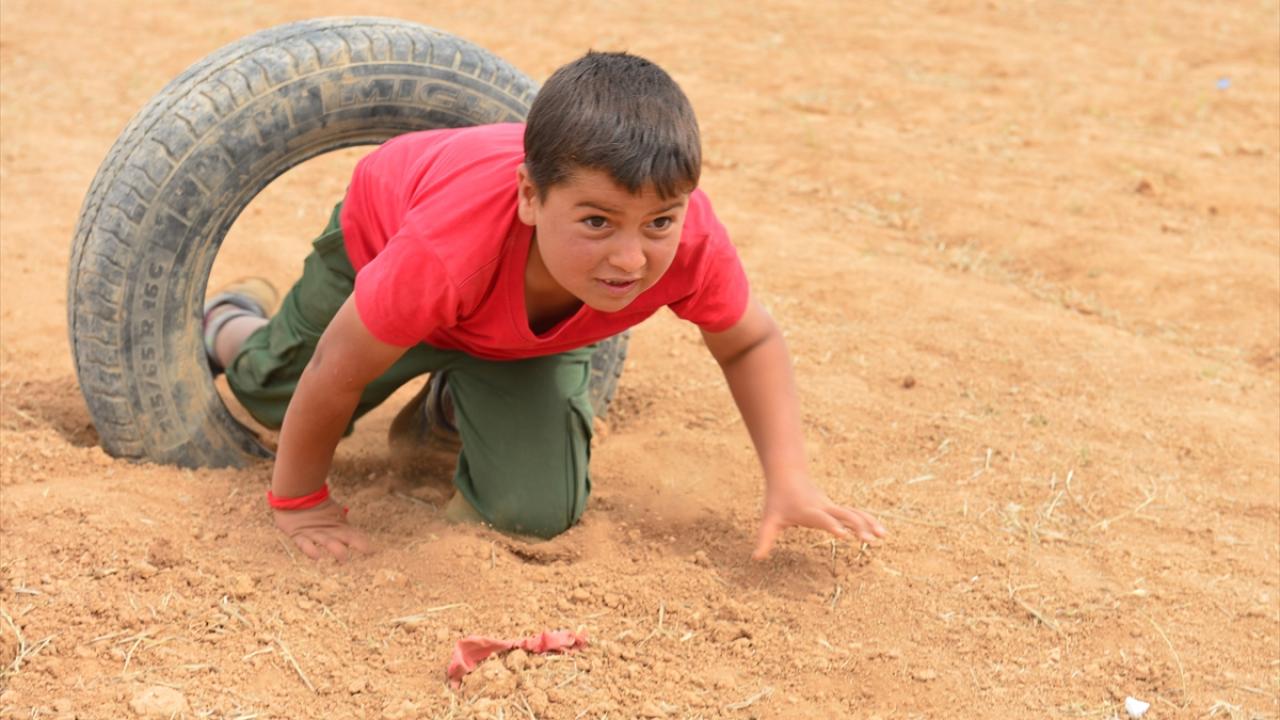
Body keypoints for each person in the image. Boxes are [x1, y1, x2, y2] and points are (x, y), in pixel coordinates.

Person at [203, 51, 886, 563]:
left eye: (658, 222)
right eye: (597, 221)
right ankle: (233, 322)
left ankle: (452, 400)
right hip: (384, 255)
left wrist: (790, 478)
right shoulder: (443, 249)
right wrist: (301, 505)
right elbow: (335, 368)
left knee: (532, 512)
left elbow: (749, 342)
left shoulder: (689, 242)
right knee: (271, 394)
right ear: (532, 197)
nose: (631, 258)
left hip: (513, 335)